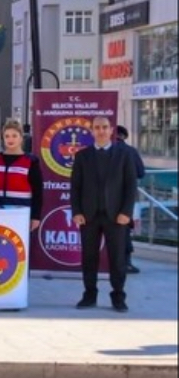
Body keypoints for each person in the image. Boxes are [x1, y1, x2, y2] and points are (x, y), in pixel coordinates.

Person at [71, 116, 138, 312]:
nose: (101, 131)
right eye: (97, 127)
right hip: (89, 216)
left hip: (116, 216)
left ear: (111, 131)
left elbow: (130, 186)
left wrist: (126, 212)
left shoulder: (124, 154)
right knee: (89, 257)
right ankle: (89, 295)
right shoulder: (82, 156)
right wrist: (76, 212)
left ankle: (118, 297)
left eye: (104, 127)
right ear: (92, 131)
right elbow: (75, 187)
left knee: (117, 259)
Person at [0, 119, 43, 231]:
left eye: (14, 136)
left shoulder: (30, 161)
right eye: (7, 136)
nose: (10, 139)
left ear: (21, 138)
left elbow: (38, 192)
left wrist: (36, 216)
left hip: (20, 213)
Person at [115, 125, 146, 274]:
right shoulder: (130, 151)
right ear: (123, 136)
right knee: (124, 230)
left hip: (102, 198)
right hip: (125, 198)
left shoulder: (100, 150)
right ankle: (125, 263)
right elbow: (141, 173)